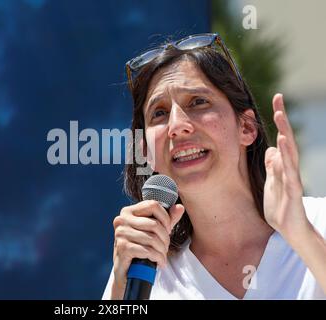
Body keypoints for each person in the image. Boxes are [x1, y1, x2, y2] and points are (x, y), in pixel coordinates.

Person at [102, 33, 326, 299]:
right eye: (159, 113)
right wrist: (119, 284)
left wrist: (304, 239)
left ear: (246, 127)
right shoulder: (143, 273)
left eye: (198, 102)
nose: (176, 126)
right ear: (146, 151)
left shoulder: (318, 222)